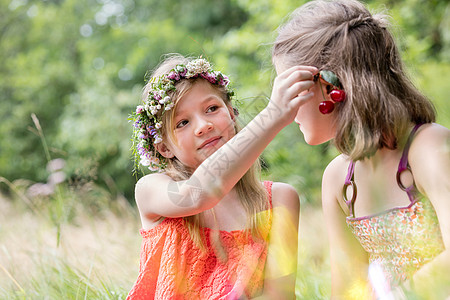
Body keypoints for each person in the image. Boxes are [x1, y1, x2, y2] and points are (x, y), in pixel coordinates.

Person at [272, 0, 450, 298]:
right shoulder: (339, 179)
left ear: (330, 88)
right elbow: (347, 291)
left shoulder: (429, 147)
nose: (284, 111)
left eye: (289, 90)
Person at [126, 54, 317, 299]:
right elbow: (197, 195)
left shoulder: (279, 199)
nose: (203, 125)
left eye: (212, 109)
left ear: (231, 113)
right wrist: (272, 115)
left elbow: (280, 295)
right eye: (182, 122)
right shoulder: (152, 190)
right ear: (164, 148)